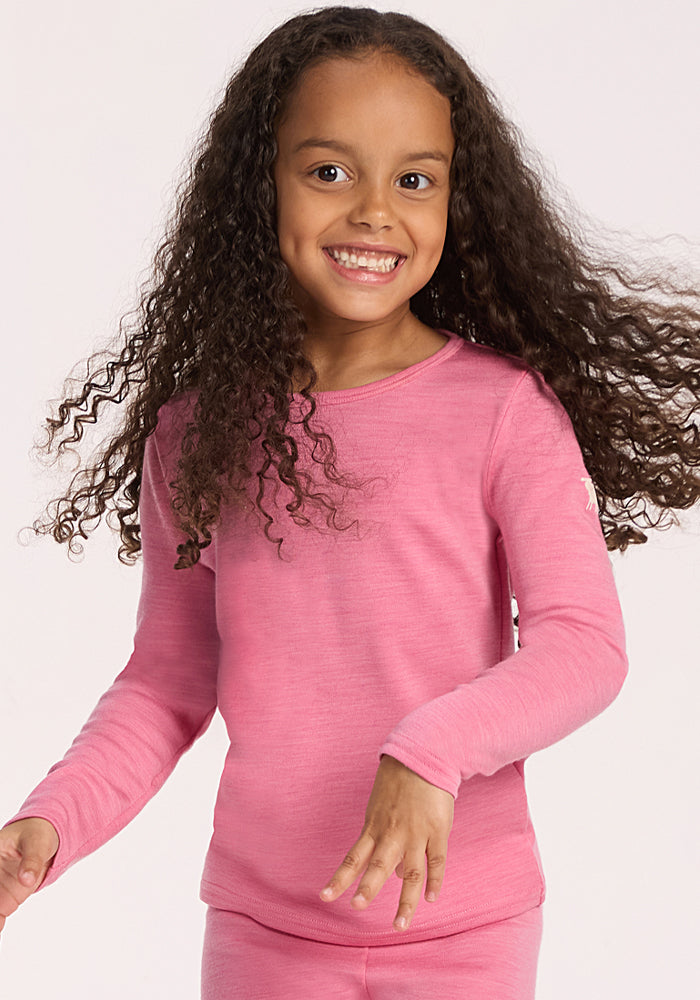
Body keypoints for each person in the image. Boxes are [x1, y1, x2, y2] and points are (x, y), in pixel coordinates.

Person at [1, 6, 699, 998]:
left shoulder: (501, 412)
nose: (375, 211)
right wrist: (52, 819)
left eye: (413, 179)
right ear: (260, 185)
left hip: (463, 930)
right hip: (266, 931)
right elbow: (166, 682)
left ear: (458, 202)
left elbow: (583, 644)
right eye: (329, 171)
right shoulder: (199, 430)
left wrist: (431, 751)